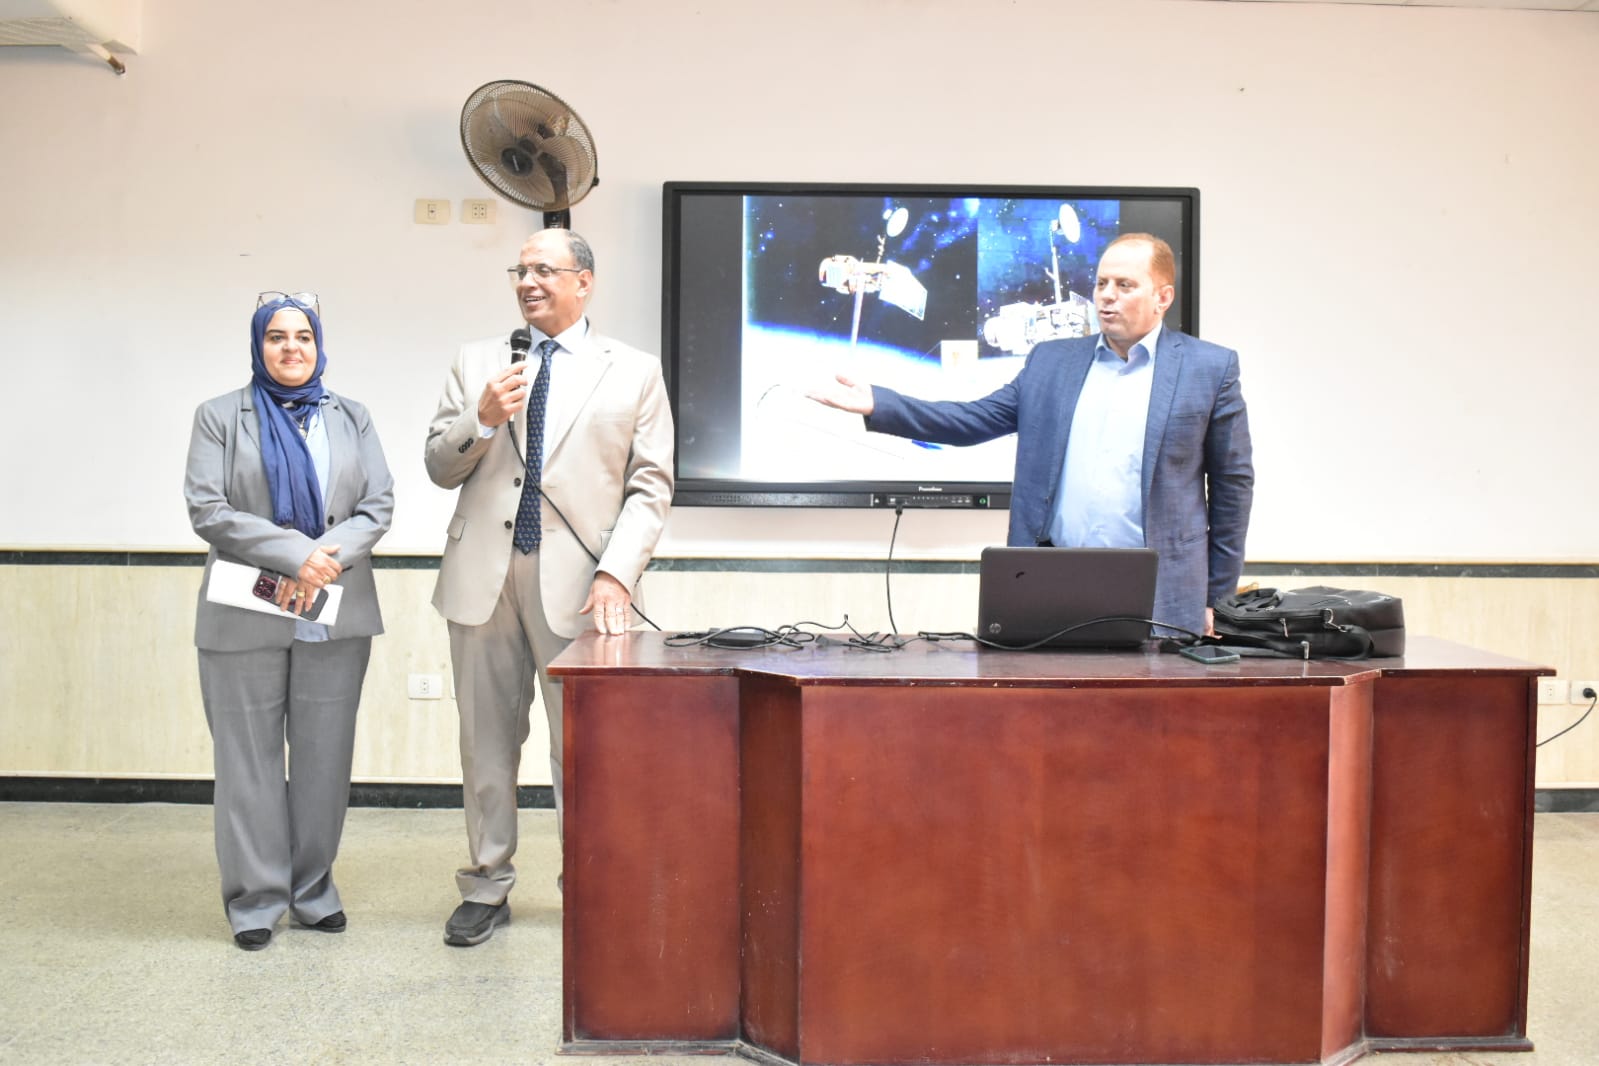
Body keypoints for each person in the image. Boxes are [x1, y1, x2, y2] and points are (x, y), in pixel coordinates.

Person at [424, 228, 674, 946]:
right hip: (482, 577)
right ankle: (486, 883)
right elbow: (439, 465)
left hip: (583, 584)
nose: (527, 282)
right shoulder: (478, 361)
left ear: (583, 281)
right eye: (520, 270)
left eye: (544, 269)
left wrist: (617, 573)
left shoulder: (634, 371)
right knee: (485, 743)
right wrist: (480, 420)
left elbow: (651, 486)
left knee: (585, 749)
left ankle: (588, 885)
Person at [810, 233, 1253, 638]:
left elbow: (1232, 486)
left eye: (1125, 285)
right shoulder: (1051, 362)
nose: (1107, 296)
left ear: (1163, 297)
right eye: (1101, 283)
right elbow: (971, 420)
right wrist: (879, 403)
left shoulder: (1209, 369)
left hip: (1163, 590)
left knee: (1157, 703)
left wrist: (1218, 598)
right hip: (1054, 583)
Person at [184, 291, 395, 950]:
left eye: (302, 336)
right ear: (258, 345)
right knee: (246, 765)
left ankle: (312, 890)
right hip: (244, 613)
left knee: (323, 763)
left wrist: (321, 561)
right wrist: (295, 555)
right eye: (276, 337)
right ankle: (255, 900)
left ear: (318, 344)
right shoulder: (220, 416)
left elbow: (378, 505)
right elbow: (209, 509)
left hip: (333, 614)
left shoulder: (352, 416)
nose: (291, 348)